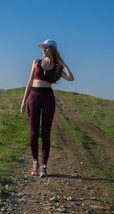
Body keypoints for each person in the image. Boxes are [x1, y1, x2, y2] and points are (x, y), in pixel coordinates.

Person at [20, 39, 74, 178]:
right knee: (33, 133)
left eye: (46, 48)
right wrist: (23, 101)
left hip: (48, 98)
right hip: (34, 96)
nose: (43, 50)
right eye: (43, 48)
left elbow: (70, 78)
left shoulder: (57, 67)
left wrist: (62, 64)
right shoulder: (36, 62)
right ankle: (35, 163)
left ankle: (44, 166)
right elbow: (29, 82)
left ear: (52, 50)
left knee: (46, 133)